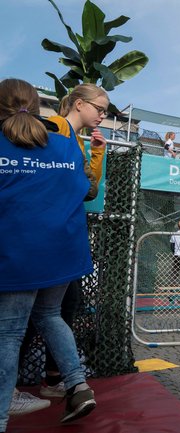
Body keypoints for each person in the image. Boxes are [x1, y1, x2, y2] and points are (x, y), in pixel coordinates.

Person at [0, 78, 97, 430]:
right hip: (62, 252)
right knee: (50, 314)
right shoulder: (65, 145)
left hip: (18, 252)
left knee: (9, 333)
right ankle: (77, 383)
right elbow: (86, 190)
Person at [18, 83, 108, 402]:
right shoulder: (55, 127)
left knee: (58, 309)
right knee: (33, 314)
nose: (103, 115)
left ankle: (58, 378)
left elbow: (89, 189)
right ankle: (19, 384)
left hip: (58, 239)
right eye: (100, 108)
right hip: (43, 237)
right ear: (80, 104)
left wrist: (97, 153)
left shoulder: (76, 141)